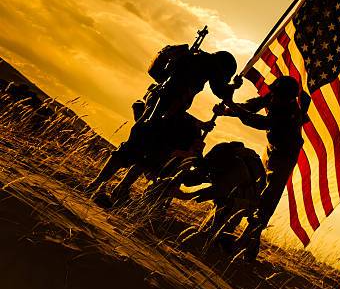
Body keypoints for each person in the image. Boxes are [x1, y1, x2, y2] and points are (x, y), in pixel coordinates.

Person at [86, 47, 240, 203]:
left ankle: (117, 188)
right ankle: (99, 185)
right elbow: (220, 90)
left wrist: (200, 124)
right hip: (164, 108)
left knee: (146, 151)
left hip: (161, 104)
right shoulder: (207, 65)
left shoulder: (194, 58)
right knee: (135, 148)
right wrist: (234, 87)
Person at [214, 76, 310, 260]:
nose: (273, 97)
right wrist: (227, 110)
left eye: (277, 94)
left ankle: (242, 243)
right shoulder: (275, 97)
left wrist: (231, 105)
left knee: (267, 199)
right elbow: (252, 106)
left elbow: (258, 121)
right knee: (259, 191)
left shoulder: (289, 112)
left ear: (286, 97)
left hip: (285, 156)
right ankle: (252, 245)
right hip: (273, 149)